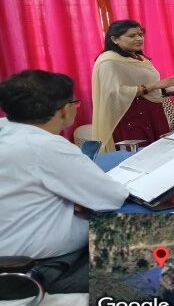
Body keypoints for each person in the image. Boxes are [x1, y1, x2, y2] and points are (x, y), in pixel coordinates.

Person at [0, 70, 129, 296]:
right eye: (74, 102)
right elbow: (113, 197)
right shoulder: (44, 146)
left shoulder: (6, 129)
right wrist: (81, 201)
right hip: (36, 270)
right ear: (63, 110)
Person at [92, 20, 174, 153]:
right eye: (132, 36)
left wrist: (167, 89)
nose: (139, 39)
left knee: (162, 154)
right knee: (141, 156)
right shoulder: (108, 60)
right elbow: (114, 93)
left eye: (140, 35)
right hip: (130, 115)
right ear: (115, 39)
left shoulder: (139, 58)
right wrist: (156, 85)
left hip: (153, 112)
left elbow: (146, 85)